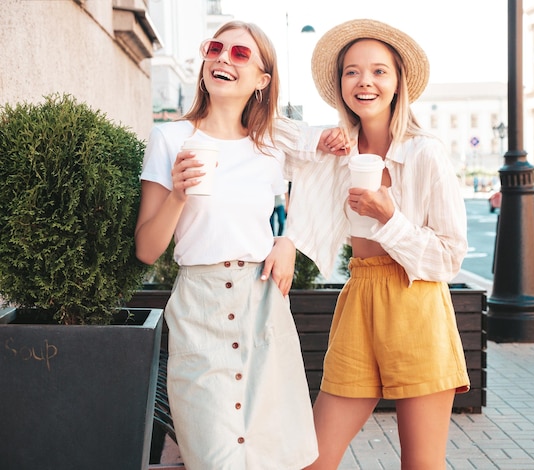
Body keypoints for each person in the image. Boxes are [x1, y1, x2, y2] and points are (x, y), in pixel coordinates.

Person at [134, 20, 348, 469]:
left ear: (261, 80)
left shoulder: (270, 145)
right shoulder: (170, 139)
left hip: (262, 302)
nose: (223, 59)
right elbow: (146, 250)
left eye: (240, 54)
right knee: (214, 456)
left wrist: (288, 241)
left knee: (277, 453)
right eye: (216, 48)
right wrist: (177, 195)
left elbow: (324, 177)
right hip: (200, 307)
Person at [284, 19, 471, 469]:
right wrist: (317, 140)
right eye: (351, 71)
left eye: (378, 71)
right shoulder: (336, 149)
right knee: (312, 459)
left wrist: (389, 218)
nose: (364, 81)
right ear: (340, 83)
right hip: (360, 296)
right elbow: (258, 132)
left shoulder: (426, 152)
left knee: (421, 464)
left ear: (397, 82)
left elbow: (449, 257)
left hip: (417, 304)